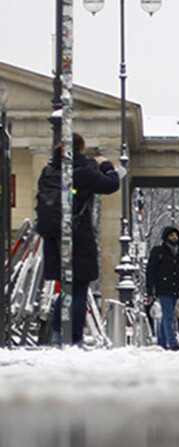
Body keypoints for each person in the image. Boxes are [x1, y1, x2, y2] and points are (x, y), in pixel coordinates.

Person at [36, 132, 121, 346]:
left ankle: (57, 335)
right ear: (80, 149)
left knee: (64, 290)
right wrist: (106, 165)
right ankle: (73, 338)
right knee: (79, 289)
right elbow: (111, 184)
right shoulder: (82, 173)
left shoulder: (48, 172)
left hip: (53, 238)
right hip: (78, 236)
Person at [146, 226, 179, 351]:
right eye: (171, 235)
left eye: (176, 235)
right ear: (166, 237)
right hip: (163, 287)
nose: (174, 238)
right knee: (168, 316)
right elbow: (151, 270)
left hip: (174, 288)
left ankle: (161, 342)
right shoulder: (159, 251)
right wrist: (150, 288)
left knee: (167, 315)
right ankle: (172, 342)